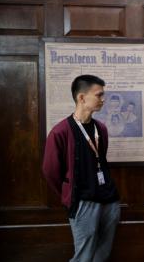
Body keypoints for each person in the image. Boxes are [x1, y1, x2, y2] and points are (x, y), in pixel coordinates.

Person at [42, 74, 120, 262]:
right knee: (84, 256)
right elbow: (50, 171)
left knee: (102, 254)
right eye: (99, 95)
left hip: (109, 200)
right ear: (82, 98)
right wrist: (69, 194)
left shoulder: (101, 129)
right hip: (83, 201)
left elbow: (100, 159)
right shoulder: (60, 132)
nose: (103, 99)